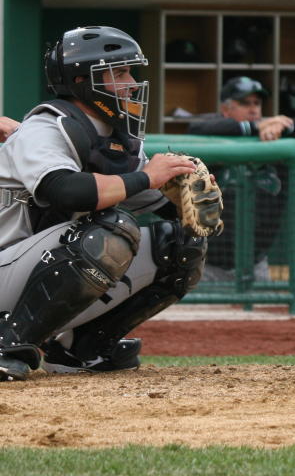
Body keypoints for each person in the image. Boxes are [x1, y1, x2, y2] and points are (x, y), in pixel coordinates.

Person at [0, 26, 212, 381]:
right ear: (82, 80)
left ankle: (81, 348)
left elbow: (155, 205)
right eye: (118, 73)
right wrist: (147, 176)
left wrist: (180, 193)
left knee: (179, 245)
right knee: (110, 230)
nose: (131, 82)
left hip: (26, 270)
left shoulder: (117, 138)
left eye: (130, 71)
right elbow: (66, 191)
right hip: (7, 260)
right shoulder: (46, 126)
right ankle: (7, 344)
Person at [188, 75, 295, 282]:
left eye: (257, 103)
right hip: (209, 264)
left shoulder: (276, 143)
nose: (253, 109)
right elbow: (196, 129)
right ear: (226, 109)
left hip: (256, 264)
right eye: (244, 103)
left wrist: (287, 125)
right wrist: (254, 127)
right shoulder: (212, 139)